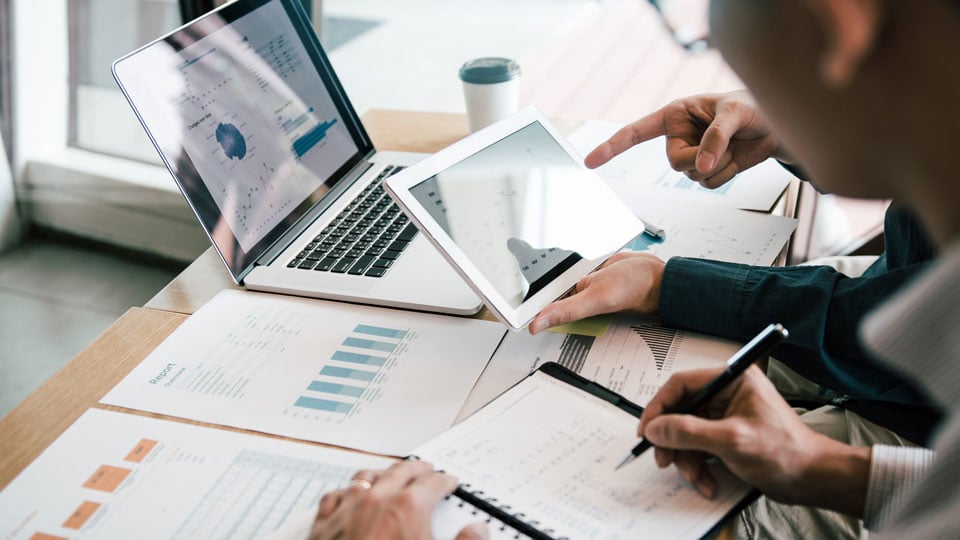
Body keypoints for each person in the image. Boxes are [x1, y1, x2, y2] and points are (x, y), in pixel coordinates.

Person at [311, 0, 960, 537]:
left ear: (835, 22)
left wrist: (669, 283)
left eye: (698, 25)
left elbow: (879, 325)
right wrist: (819, 467)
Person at [527, 88, 940, 446]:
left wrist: (664, 285)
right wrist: (786, 130)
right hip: (889, 279)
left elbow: (904, 325)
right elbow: (920, 159)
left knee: (682, 489)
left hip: (924, 428)